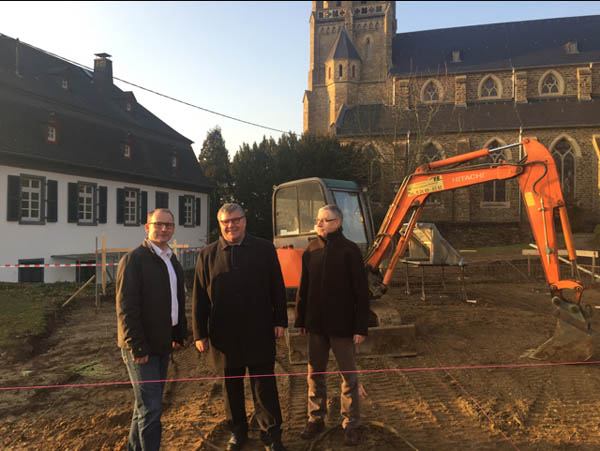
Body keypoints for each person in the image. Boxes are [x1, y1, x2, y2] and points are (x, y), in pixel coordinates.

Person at [193, 203, 288, 451]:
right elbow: (200, 298)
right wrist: (199, 333)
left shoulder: (264, 249)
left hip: (259, 330)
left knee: (264, 386)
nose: (231, 225)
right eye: (225, 222)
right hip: (224, 335)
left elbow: (277, 287)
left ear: (245, 221)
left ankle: (271, 434)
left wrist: (280, 320)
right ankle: (238, 430)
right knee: (230, 387)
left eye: (235, 220)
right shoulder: (207, 254)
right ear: (220, 224)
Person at [294, 204, 370, 446]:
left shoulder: (350, 251)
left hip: (343, 326)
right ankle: (316, 418)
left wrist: (361, 327)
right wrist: (300, 319)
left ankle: (351, 423)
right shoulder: (311, 250)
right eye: (318, 219)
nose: (319, 224)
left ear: (338, 222)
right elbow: (303, 288)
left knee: (349, 376)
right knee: (315, 374)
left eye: (325, 220)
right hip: (316, 325)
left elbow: (361, 292)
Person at [116, 208, 187, 451]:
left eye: (168, 225)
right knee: (152, 407)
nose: (164, 229)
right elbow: (126, 307)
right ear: (147, 228)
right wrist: (137, 345)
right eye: (158, 225)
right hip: (141, 347)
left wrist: (177, 335)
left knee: (145, 406)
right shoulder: (134, 260)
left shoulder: (171, 259)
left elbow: (177, 301)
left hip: (162, 345)